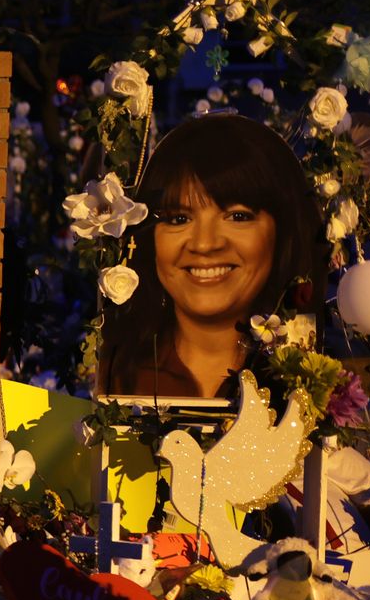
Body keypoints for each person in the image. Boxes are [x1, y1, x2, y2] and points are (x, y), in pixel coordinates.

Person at [99, 114, 325, 398]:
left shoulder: (319, 377)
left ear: (283, 231)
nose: (204, 244)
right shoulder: (116, 374)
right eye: (179, 218)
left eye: (237, 216)